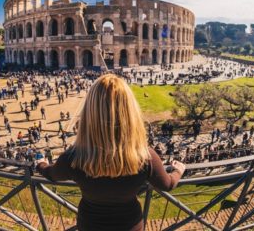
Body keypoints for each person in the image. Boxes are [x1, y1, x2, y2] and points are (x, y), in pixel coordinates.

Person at [37, 74, 185, 231]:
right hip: (130, 225)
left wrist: (41, 164)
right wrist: (178, 171)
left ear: (89, 113)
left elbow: (52, 174)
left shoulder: (73, 157)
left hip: (90, 224)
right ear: (130, 112)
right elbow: (167, 184)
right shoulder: (146, 156)